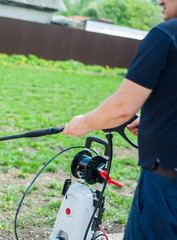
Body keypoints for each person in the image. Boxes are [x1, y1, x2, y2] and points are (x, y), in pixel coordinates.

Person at [63, 0, 177, 239]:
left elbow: (123, 108)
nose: (159, 2)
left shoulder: (165, 36)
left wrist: (84, 122)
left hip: (166, 185)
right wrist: (155, 120)